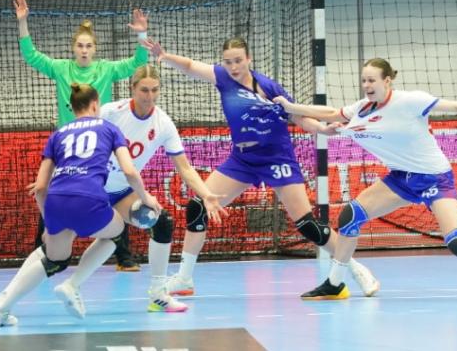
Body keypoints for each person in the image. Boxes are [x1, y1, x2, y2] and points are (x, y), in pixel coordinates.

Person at [272, 58, 457, 300]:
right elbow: (331, 114)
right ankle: (335, 283)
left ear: (387, 81)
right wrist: (290, 107)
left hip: (435, 179)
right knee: (351, 216)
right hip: (401, 179)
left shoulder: (410, 101)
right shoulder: (362, 109)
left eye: (372, 80)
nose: (367, 85)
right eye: (363, 80)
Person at [142, 36, 380, 299]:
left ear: (249, 59)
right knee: (198, 207)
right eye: (228, 62)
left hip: (276, 157)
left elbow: (297, 116)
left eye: (238, 61)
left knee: (307, 224)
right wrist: (164, 56)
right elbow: (189, 66)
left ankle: (356, 269)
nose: (233, 67)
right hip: (242, 159)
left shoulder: (267, 86)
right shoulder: (222, 77)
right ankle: (184, 278)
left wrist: (322, 130)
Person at [0, 83, 163, 326]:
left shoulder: (58, 134)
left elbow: (40, 188)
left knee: (54, 260)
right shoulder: (109, 128)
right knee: (116, 233)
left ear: (73, 107)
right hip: (89, 198)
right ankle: (73, 285)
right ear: (95, 105)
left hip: (56, 201)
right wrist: (146, 197)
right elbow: (130, 172)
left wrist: (49, 224)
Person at [15, 0, 145, 270]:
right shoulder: (61, 68)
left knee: (110, 191)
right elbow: (31, 56)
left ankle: (124, 257)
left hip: (99, 146)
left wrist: (142, 34)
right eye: (80, 46)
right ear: (73, 48)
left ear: (94, 49)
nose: (84, 50)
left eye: (88, 46)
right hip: (67, 147)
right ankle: (44, 253)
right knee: (48, 191)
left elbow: (138, 63)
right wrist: (23, 22)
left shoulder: (106, 69)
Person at [99, 64, 229, 312]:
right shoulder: (111, 112)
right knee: (55, 250)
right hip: (91, 188)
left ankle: (158, 294)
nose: (149, 96)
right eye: (144, 90)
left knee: (160, 221)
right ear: (132, 88)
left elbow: (185, 168)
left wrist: (206, 194)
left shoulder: (163, 123)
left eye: (154, 90)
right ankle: (68, 285)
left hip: (122, 195)